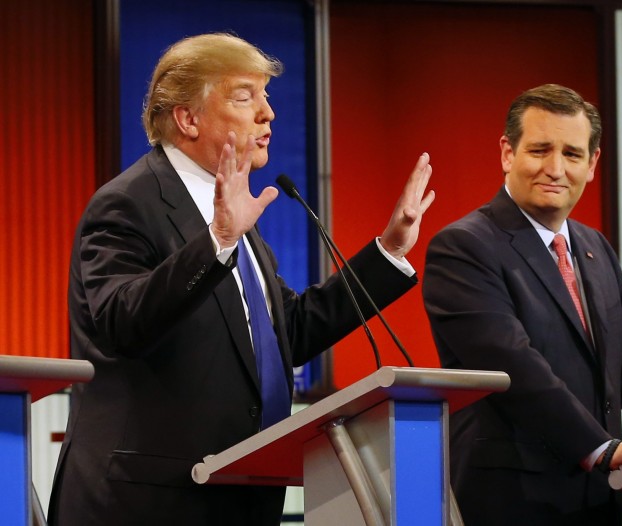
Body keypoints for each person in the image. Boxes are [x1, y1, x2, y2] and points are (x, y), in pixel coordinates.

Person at [50, 33, 434, 526]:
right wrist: (218, 240)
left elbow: (286, 335)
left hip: (239, 494)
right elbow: (121, 321)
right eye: (244, 96)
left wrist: (389, 252)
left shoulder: (232, 217)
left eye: (267, 96)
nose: (268, 113)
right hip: (149, 504)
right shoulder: (129, 204)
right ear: (188, 118)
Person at [422, 84, 622, 525]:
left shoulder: (594, 247)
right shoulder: (464, 246)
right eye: (539, 150)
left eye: (572, 154)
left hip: (598, 498)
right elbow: (513, 363)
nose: (555, 169)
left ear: (592, 164)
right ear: (507, 153)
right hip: (512, 501)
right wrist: (602, 449)